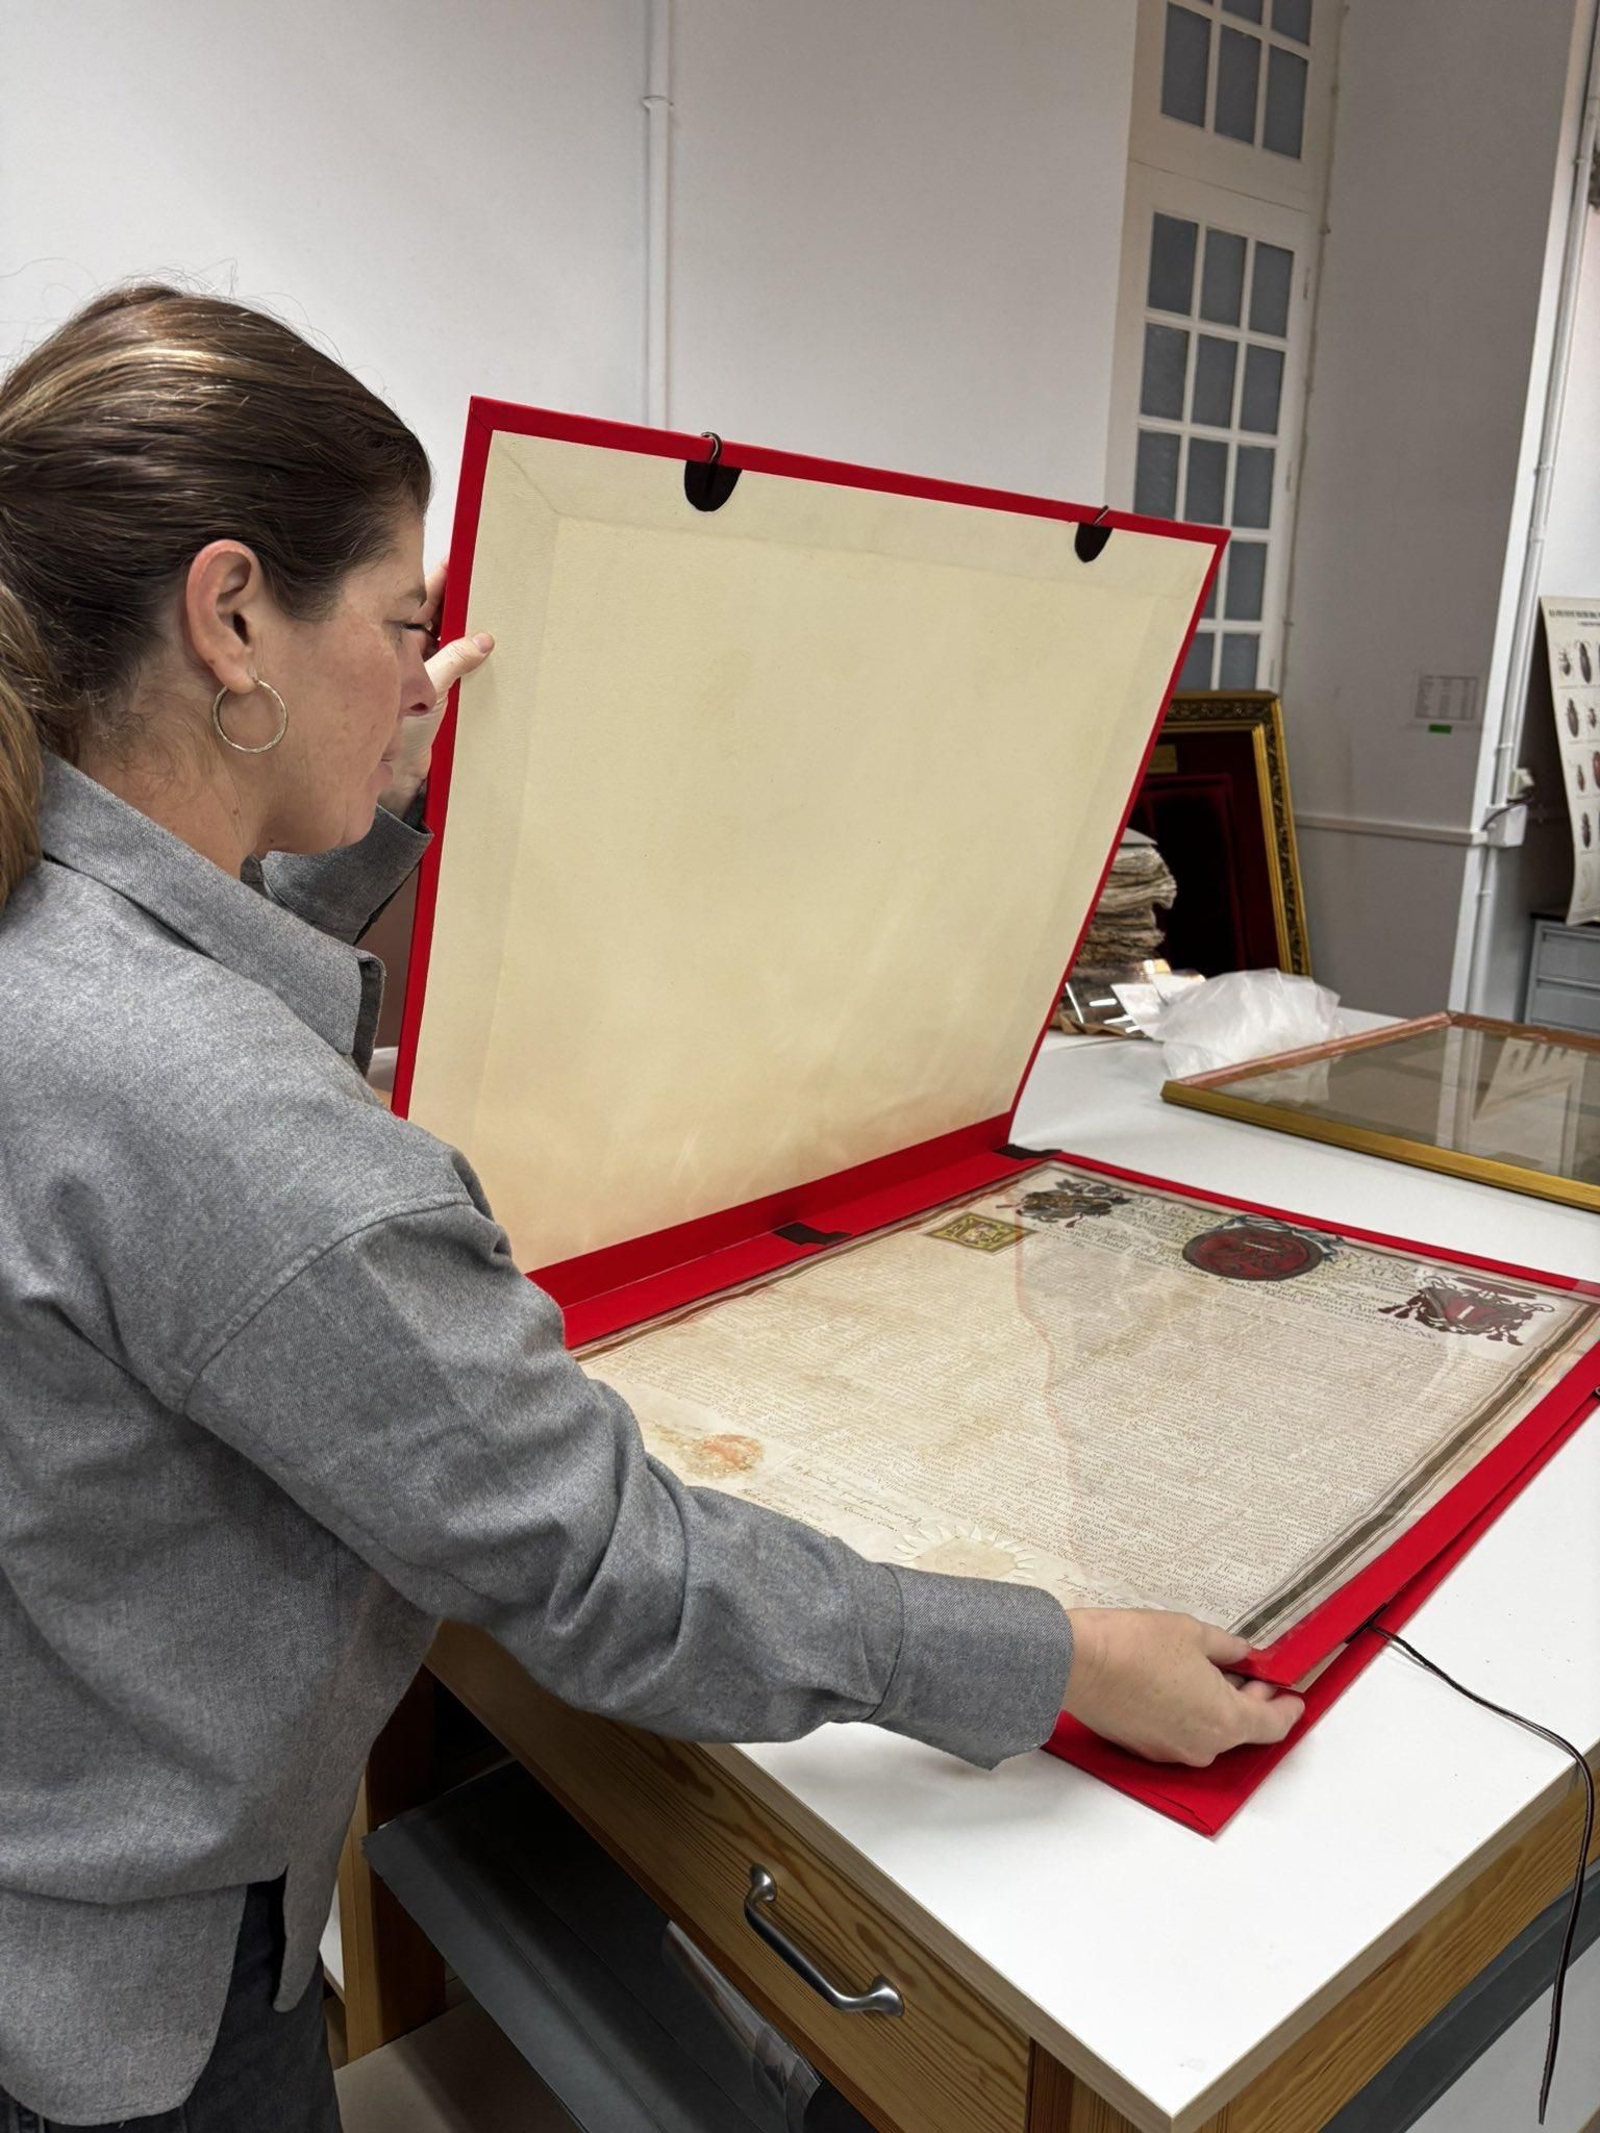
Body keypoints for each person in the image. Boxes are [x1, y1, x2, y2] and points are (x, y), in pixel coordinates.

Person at [0, 286, 1302, 2133]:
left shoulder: (44, 929)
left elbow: (189, 990)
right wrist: (1063, 1654)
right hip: (126, 2018)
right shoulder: (233, 1127)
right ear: (232, 620)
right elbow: (619, 1570)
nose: (425, 669)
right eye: (404, 623)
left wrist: (376, 797)